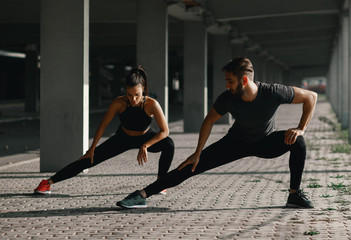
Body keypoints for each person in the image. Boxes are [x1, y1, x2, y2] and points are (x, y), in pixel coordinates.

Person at [117, 57, 317, 209]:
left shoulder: (273, 92)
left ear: (244, 80)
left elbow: (311, 97)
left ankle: (294, 195)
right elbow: (209, 120)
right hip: (235, 142)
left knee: (298, 141)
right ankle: (142, 195)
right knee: (190, 167)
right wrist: (197, 153)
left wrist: (301, 128)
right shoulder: (227, 98)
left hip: (265, 142)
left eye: (230, 81)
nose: (227, 85)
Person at [34, 66, 174, 198]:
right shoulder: (119, 103)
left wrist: (146, 145)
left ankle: (160, 183)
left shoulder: (152, 104)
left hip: (144, 137)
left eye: (137, 95)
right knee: (88, 159)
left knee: (169, 144)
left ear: (143, 89)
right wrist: (92, 148)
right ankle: (47, 183)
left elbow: (165, 131)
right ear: (125, 91)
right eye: (129, 95)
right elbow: (102, 126)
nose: (133, 99)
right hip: (122, 138)